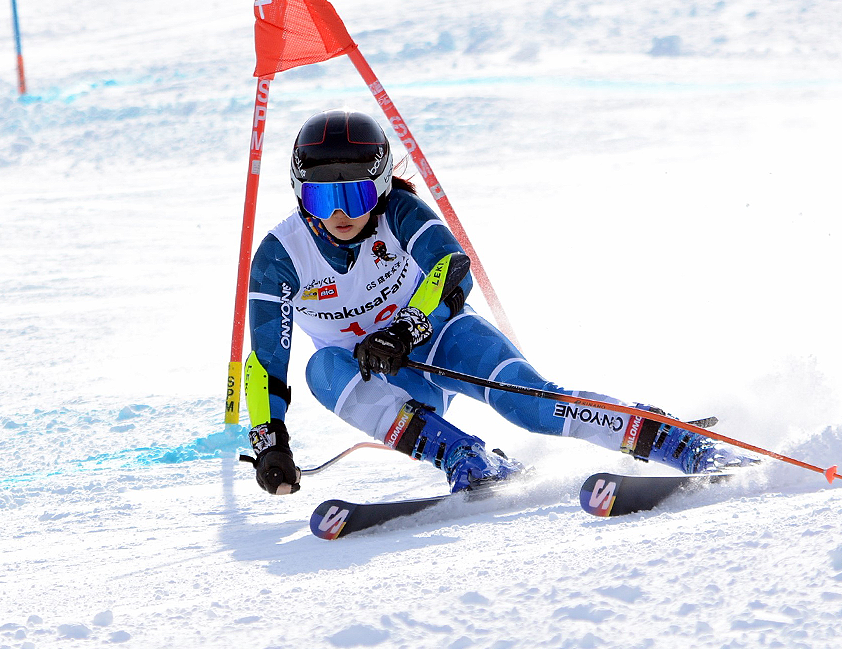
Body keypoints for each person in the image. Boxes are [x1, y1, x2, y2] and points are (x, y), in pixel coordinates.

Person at [244, 109, 752, 496]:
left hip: (438, 338)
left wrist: (409, 329)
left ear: (379, 187)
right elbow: (266, 364)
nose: (339, 214)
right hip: (382, 382)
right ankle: (467, 458)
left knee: (530, 404)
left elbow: (449, 270)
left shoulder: (399, 212)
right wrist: (271, 440)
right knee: (321, 369)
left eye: (354, 197)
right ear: (298, 194)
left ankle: (674, 440)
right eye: (321, 199)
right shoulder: (280, 256)